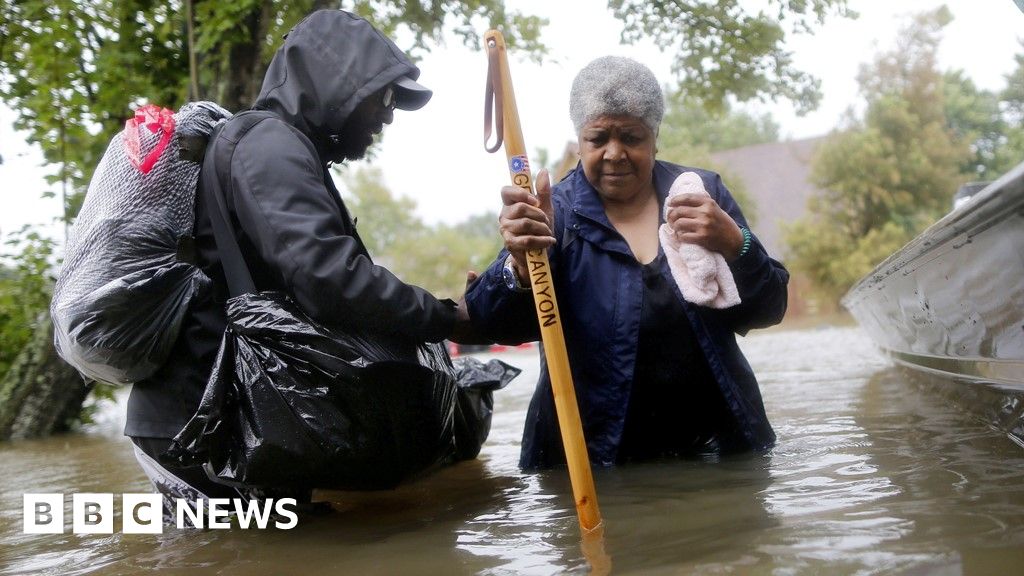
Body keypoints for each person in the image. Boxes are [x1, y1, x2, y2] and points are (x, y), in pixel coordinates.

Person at [126, 9, 473, 513]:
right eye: (386, 96)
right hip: (204, 427)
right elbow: (329, 279)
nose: (388, 114)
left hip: (219, 418)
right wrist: (447, 317)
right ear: (340, 83)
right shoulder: (268, 144)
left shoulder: (270, 144)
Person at [464, 56, 789, 469]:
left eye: (631, 137)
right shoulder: (552, 214)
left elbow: (770, 309)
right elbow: (492, 324)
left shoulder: (699, 195)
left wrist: (736, 244)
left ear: (655, 138)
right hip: (594, 462)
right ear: (579, 141)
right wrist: (521, 265)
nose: (614, 153)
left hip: (719, 451)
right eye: (598, 138)